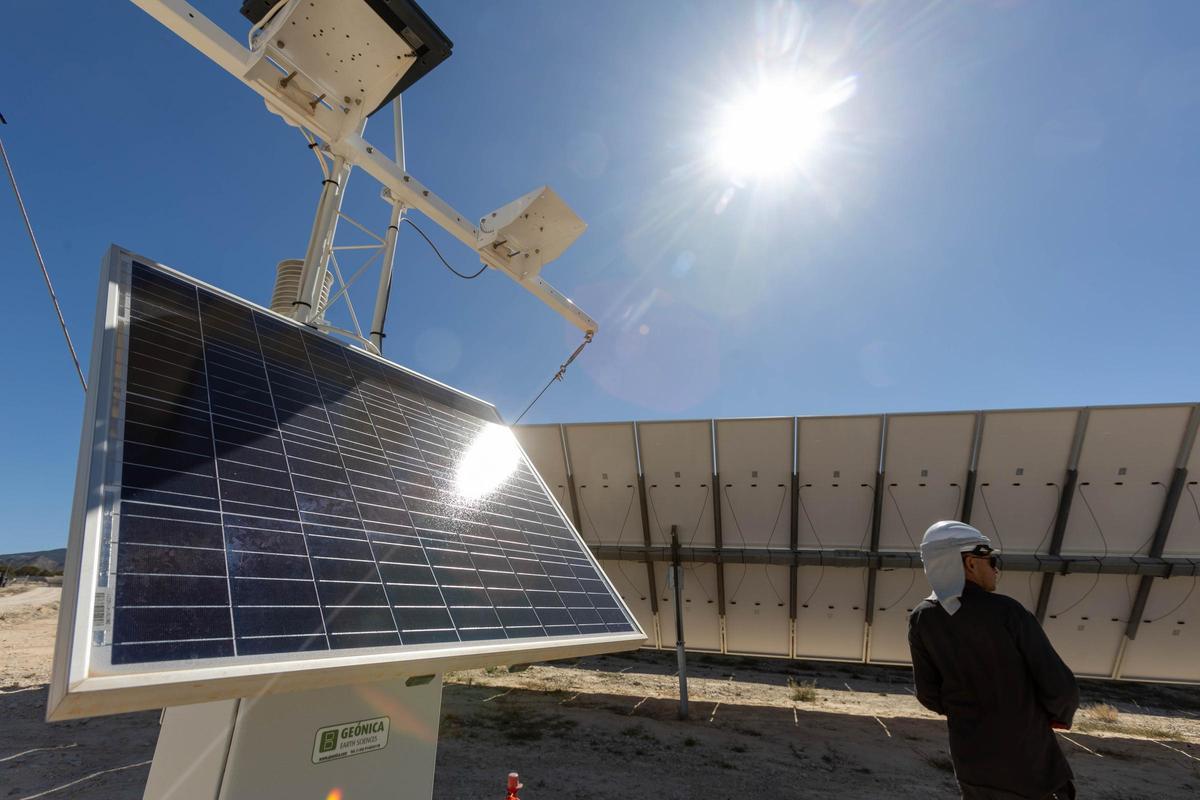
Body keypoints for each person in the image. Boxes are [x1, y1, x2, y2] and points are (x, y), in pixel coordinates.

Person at [908, 520, 1080, 800]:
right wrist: (1058, 716)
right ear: (971, 564)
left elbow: (928, 694)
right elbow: (1060, 686)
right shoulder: (1007, 612)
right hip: (1028, 763)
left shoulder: (921, 618)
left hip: (971, 763)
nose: (996, 568)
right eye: (991, 560)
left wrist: (966, 711)